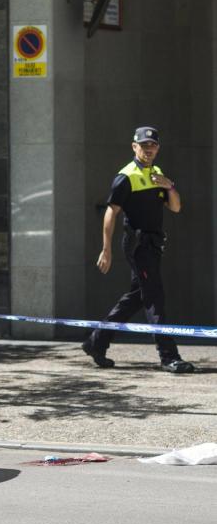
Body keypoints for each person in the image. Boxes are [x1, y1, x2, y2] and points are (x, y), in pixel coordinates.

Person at [82, 126, 195, 373]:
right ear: (134, 147)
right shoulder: (126, 176)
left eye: (152, 145)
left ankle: (96, 342)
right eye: (144, 145)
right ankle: (169, 357)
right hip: (138, 245)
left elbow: (175, 207)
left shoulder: (157, 173)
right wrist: (106, 249)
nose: (149, 149)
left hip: (153, 244)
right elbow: (111, 212)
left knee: (136, 297)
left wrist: (169, 186)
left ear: (157, 148)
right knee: (154, 297)